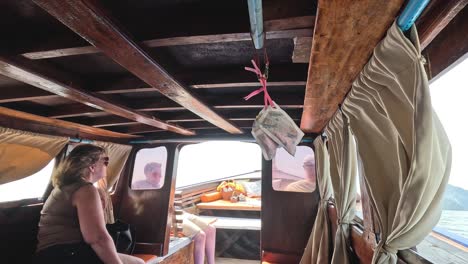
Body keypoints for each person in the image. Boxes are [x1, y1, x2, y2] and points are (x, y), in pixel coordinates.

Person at [35, 144, 144, 264]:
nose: (107, 165)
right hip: (65, 254)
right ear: (92, 167)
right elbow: (97, 238)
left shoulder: (66, 186)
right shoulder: (85, 190)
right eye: (105, 161)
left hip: (53, 253)